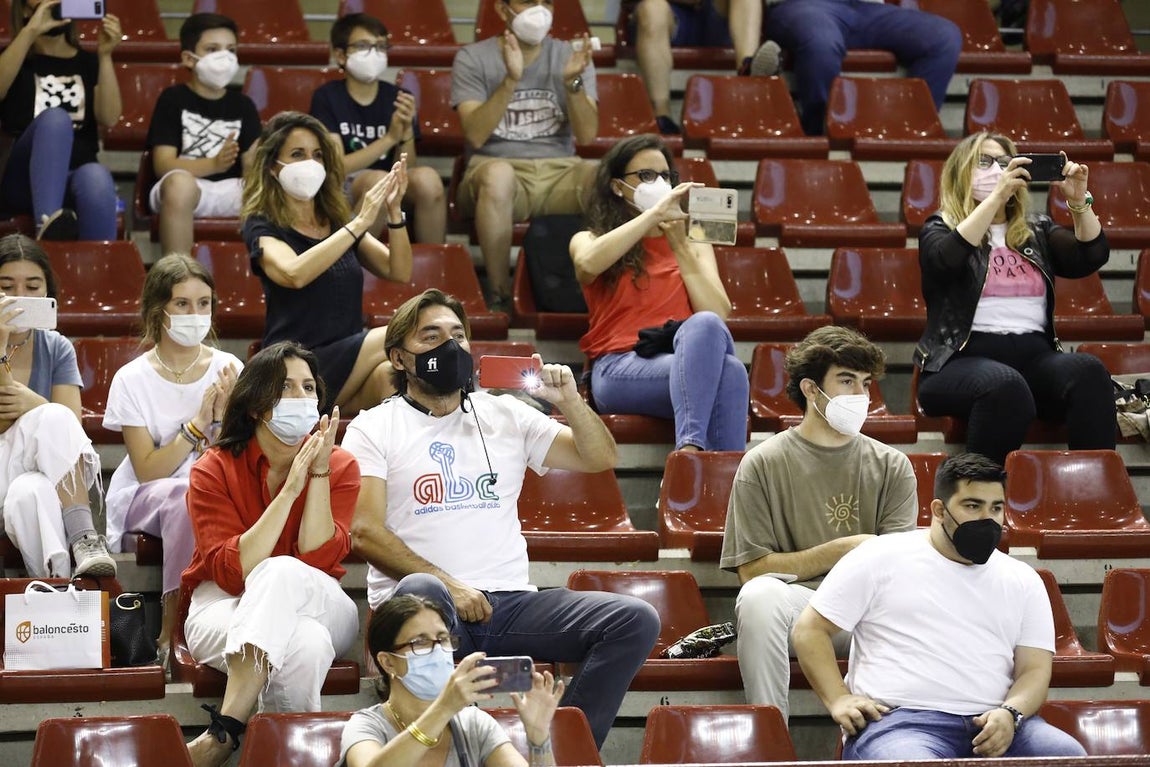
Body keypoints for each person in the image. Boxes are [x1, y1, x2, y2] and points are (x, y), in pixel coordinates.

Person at [341, 288, 661, 748]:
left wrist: (569, 401)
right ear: (399, 357)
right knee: (424, 591)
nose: (449, 347)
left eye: (458, 335)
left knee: (635, 619)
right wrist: (452, 586)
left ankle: (566, 749)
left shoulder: (506, 413)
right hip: (423, 609)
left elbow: (599, 456)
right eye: (430, 336)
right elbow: (364, 532)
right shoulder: (373, 426)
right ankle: (450, 749)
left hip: (509, 605)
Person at [792, 452, 1087, 760]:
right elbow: (809, 630)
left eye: (996, 507)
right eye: (972, 506)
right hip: (899, 725)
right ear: (939, 510)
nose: (987, 518)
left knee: (1069, 754)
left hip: (998, 722)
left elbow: (1035, 669)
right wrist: (838, 699)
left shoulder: (1023, 578)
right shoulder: (878, 556)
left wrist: (1011, 713)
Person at [720, 324, 916, 722]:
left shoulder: (893, 465)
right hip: (801, 609)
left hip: (868, 615)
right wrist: (843, 549)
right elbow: (752, 570)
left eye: (865, 383)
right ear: (811, 389)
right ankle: (769, 736)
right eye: (847, 381)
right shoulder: (762, 463)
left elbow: (898, 572)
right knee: (759, 596)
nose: (861, 396)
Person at [181, 341, 360, 767]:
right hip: (222, 603)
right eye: (287, 388)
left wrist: (316, 472)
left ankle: (226, 730)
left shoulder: (341, 464)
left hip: (321, 600)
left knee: (284, 573)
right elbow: (232, 573)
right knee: (305, 647)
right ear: (259, 405)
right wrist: (289, 492)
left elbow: (316, 561)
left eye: (308, 388)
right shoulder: (213, 467)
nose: (303, 398)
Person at [915, 132, 1115, 466]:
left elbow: (1091, 256)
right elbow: (944, 260)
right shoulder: (941, 226)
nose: (997, 169)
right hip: (955, 363)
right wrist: (994, 199)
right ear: (960, 172)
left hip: (1035, 360)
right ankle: (978, 498)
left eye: (1005, 162)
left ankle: (1093, 490)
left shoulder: (1035, 229)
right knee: (1004, 386)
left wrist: (1079, 203)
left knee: (1089, 371)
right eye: (985, 161)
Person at [102, 254, 242, 662]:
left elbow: (242, 455)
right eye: (182, 304)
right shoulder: (131, 378)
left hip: (215, 485)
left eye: (203, 304)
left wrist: (234, 416)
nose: (195, 313)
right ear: (157, 309)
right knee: (186, 495)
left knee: (202, 491)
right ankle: (172, 627)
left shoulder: (230, 367)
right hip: (146, 495)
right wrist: (199, 424)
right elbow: (148, 468)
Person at [572, 133, 748, 452]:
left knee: (714, 339)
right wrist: (652, 215)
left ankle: (700, 468)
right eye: (647, 176)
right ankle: (696, 462)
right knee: (727, 370)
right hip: (619, 368)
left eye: (666, 176)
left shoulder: (695, 240)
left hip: (682, 360)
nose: (660, 184)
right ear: (617, 186)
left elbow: (719, 314)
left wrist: (680, 246)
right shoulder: (590, 237)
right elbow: (587, 263)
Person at [241, 110, 413, 414]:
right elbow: (293, 273)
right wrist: (358, 223)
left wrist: (395, 212)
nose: (310, 162)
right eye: (298, 154)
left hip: (351, 360)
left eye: (317, 154)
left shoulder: (337, 222)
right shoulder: (261, 225)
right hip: (294, 365)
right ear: (272, 167)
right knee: (403, 329)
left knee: (391, 378)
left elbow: (398, 270)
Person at [452, 0, 599, 310]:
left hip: (560, 170)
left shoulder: (569, 55)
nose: (539, 9)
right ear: (503, 10)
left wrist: (572, 83)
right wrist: (511, 80)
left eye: (546, 1)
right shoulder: (472, 57)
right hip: (496, 167)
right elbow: (475, 135)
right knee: (498, 176)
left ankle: (601, 293)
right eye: (527, 1)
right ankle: (500, 293)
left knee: (605, 176)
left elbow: (587, 136)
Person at [339, 589, 565, 767]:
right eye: (421, 642)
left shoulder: (473, 723)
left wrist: (538, 738)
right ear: (388, 662)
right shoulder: (366, 726)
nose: (438, 650)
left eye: (443, 639)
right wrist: (444, 707)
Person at [0, 234, 108, 577]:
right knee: (50, 415)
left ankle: (58, 585)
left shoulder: (57, 347)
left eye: (32, 286)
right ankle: (85, 535)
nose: (20, 296)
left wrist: (34, 403)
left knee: (30, 494)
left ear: (47, 292)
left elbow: (69, 435)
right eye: (7, 285)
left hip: (38, 474)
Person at [725, 0, 962, 135]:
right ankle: (819, 133)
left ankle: (908, 132)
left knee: (943, 37)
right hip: (803, 6)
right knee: (821, 42)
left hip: (867, 9)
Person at [310, 12, 446, 245]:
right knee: (378, 181)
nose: (374, 53)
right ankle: (352, 263)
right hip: (346, 185)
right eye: (364, 46)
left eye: (381, 46)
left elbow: (408, 166)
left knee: (428, 179)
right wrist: (389, 138)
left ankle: (431, 265)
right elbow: (336, 167)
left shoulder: (400, 97)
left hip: (389, 180)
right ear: (340, 55)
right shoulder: (327, 97)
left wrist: (404, 136)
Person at [0, 0, 122, 239]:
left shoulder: (88, 63)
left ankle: (98, 270)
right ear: (25, 9)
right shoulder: (13, 59)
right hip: (23, 178)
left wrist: (105, 56)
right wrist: (30, 31)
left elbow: (110, 117)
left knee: (96, 177)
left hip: (76, 176)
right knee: (56, 119)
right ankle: (46, 225)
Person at [145, 13, 261, 255]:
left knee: (272, 188)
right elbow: (163, 165)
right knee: (180, 184)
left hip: (230, 189)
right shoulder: (173, 99)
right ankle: (179, 277)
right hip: (185, 187)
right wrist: (213, 164)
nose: (224, 57)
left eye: (231, 49)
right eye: (212, 49)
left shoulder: (244, 105)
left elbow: (252, 163)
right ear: (189, 58)